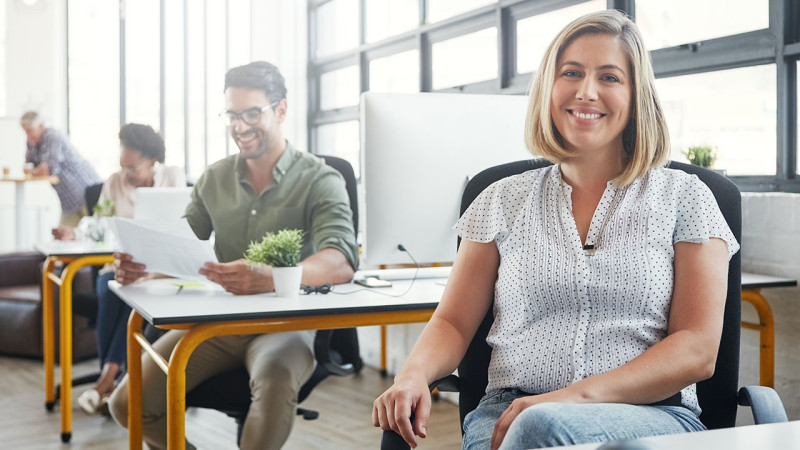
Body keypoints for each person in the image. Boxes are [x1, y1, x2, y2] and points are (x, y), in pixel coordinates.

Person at [373, 10, 739, 450]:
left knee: (540, 429)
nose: (586, 92)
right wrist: (412, 374)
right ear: (549, 86)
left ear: (636, 95)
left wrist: (567, 401)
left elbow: (697, 349)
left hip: (649, 417)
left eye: (609, 77)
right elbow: (452, 322)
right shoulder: (500, 199)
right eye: (571, 73)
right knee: (533, 428)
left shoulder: (687, 198)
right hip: (509, 412)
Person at [107, 61, 359, 450]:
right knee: (127, 405)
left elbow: (339, 262)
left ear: (281, 110)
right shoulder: (215, 178)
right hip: (218, 323)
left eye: (252, 113)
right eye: (232, 115)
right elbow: (180, 250)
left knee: (274, 381)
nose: (240, 127)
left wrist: (273, 277)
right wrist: (143, 269)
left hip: (287, 324)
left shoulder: (320, 179)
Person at [59, 123, 186, 415]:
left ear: (152, 159)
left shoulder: (173, 176)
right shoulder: (114, 182)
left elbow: (180, 226)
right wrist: (74, 233)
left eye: (133, 168)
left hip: (158, 271)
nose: (127, 174)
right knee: (111, 292)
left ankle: (108, 380)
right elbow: (96, 224)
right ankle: (115, 380)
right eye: (123, 166)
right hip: (117, 267)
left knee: (136, 301)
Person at [20, 111, 101, 227]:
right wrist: (36, 169)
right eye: (25, 131)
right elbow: (28, 166)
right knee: (62, 237)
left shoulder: (53, 136)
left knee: (96, 233)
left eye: (30, 130)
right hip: (69, 201)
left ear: (41, 127)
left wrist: (37, 170)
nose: (28, 135)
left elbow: (49, 169)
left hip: (85, 190)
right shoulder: (32, 142)